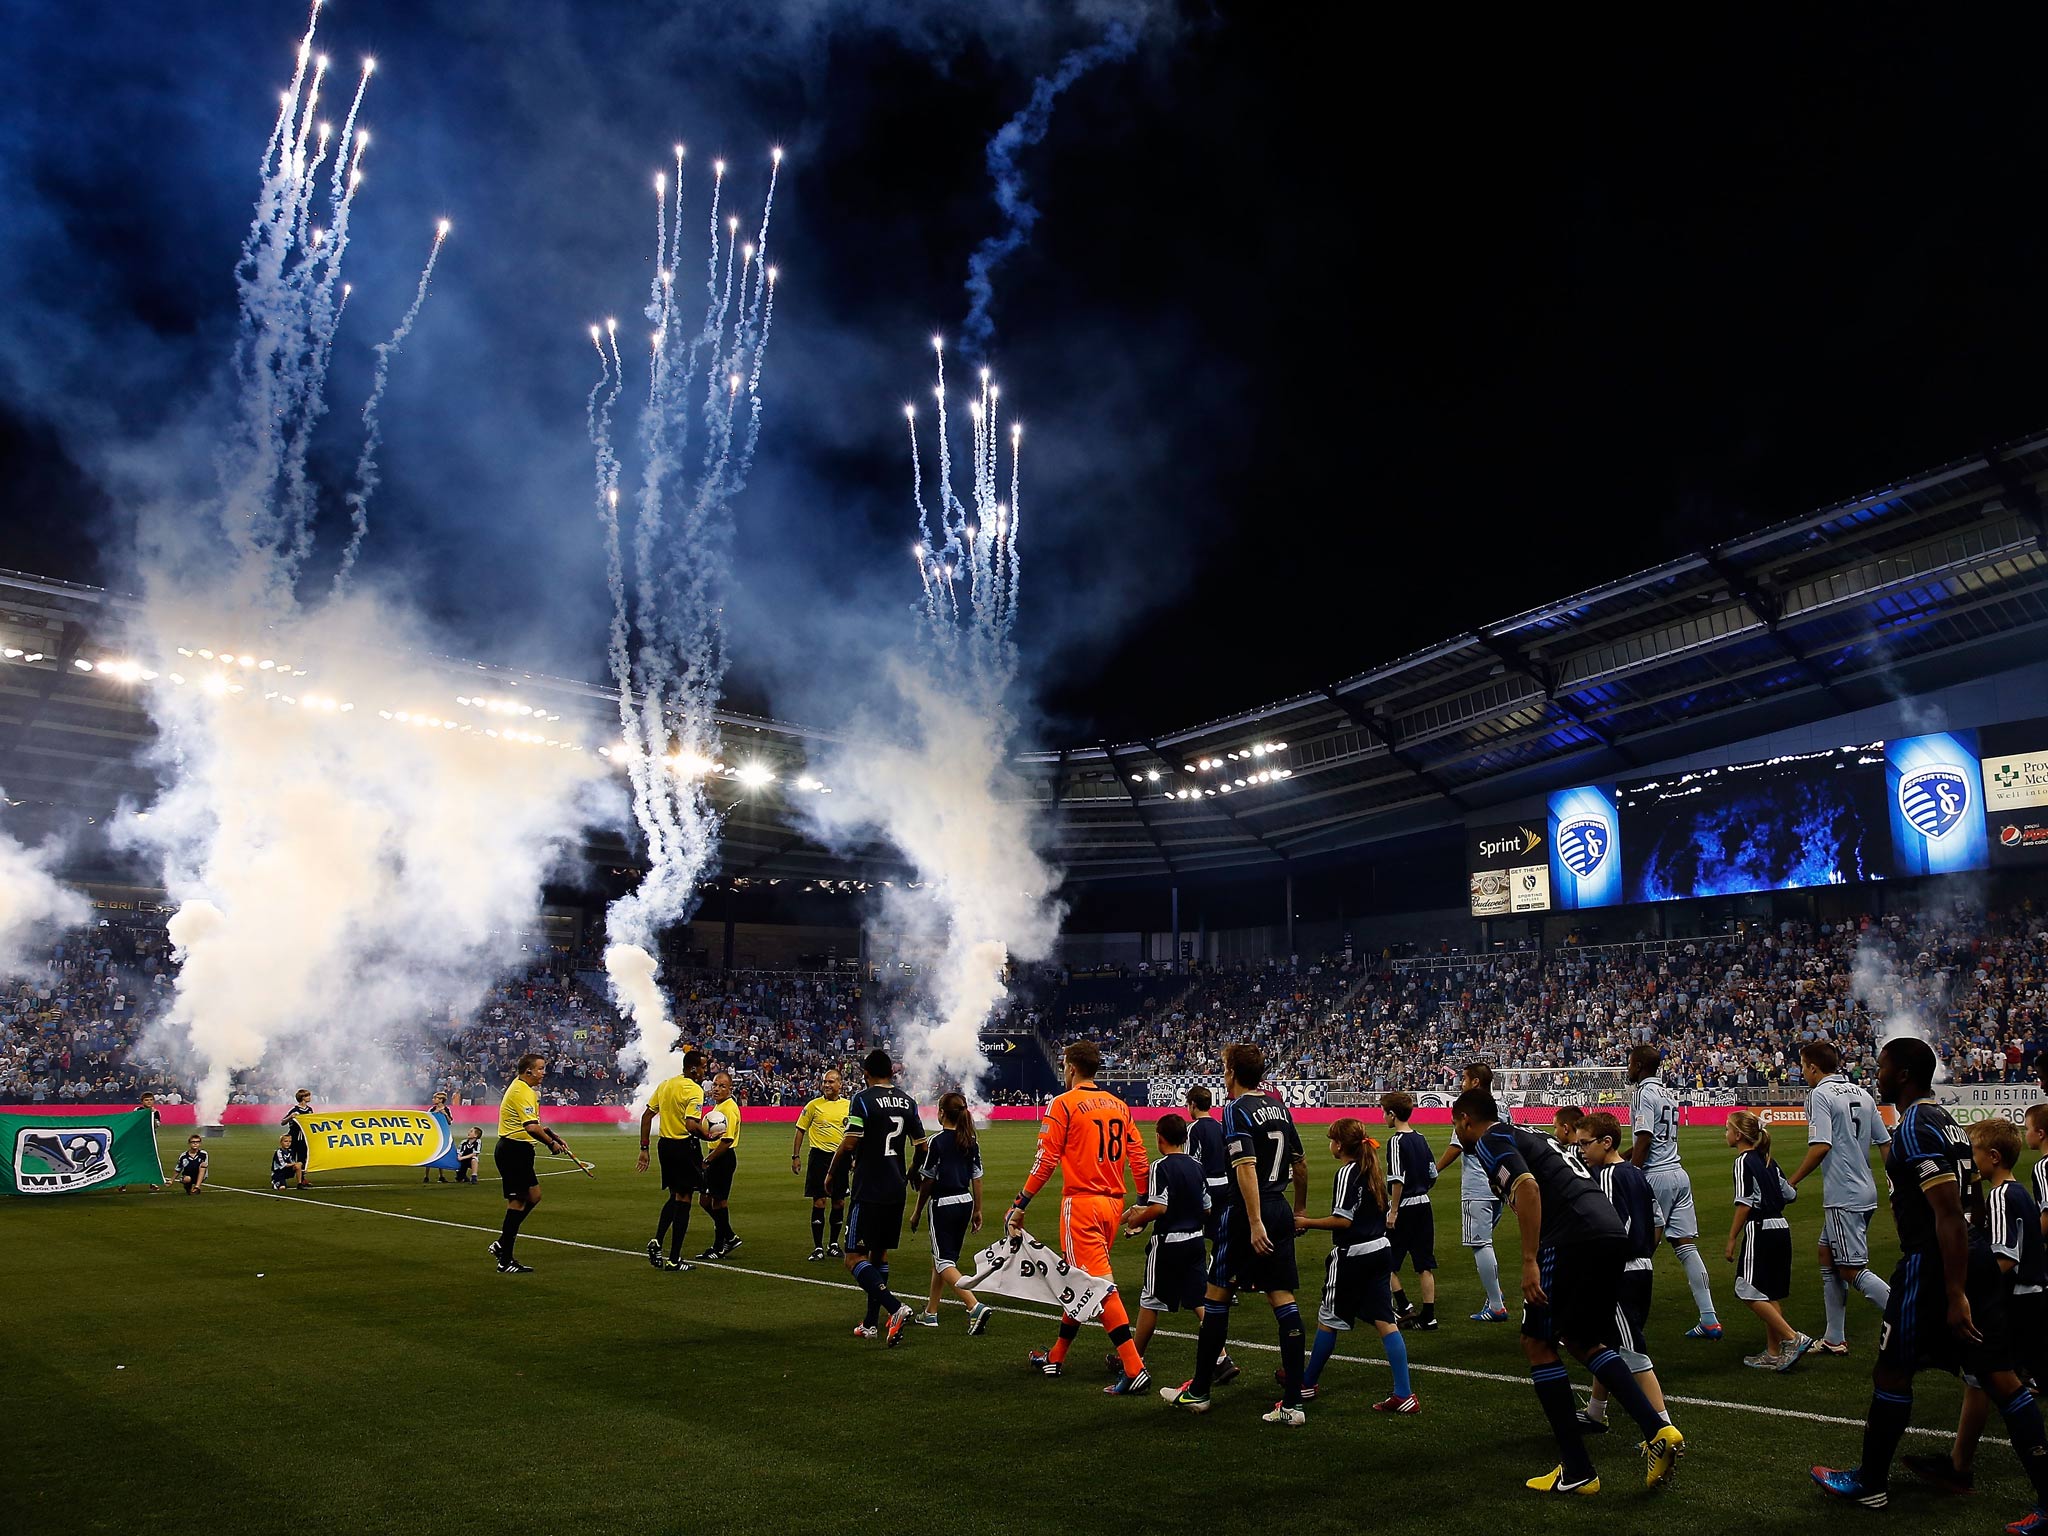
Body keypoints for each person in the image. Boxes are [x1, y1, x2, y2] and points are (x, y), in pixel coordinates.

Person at [1812, 1037, 2048, 1529]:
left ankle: (1871, 1483)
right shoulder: (1947, 1121)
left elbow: (1946, 1213)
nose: (1875, 1073)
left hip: (1934, 1264)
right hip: (1972, 1255)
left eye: (1882, 1066)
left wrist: (1956, 1291)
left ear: (1901, 1075)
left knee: (1892, 1371)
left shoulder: (1917, 1124)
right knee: (2001, 1378)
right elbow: (1973, 1200)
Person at [1454, 1086, 1685, 1495]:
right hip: (1607, 1229)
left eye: (1457, 1125)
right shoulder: (1528, 1133)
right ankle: (1658, 1430)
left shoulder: (1490, 1140)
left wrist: (1529, 1261)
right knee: (1582, 1339)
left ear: (1465, 1121)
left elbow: (1527, 1186)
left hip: (1571, 1237)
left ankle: (1578, 1470)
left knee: (1537, 1343)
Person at [1160, 1042, 1312, 1425]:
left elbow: (1245, 1166)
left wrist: (1255, 1220)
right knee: (1283, 1299)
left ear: (1231, 1071)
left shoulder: (1235, 1109)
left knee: (1216, 1296)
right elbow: (1300, 1162)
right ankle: (1293, 1404)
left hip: (1248, 1210)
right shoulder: (1280, 1106)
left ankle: (1199, 1392)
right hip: (1279, 1206)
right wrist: (1299, 1210)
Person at [1902, 1115, 2048, 1499]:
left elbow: (2005, 1258)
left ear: (1994, 1157)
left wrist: (1966, 1291)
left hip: (2016, 1301)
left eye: (1974, 1154)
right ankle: (1958, 1464)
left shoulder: (2001, 1196)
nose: (1969, 1163)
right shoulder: (2019, 1192)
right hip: (2029, 1295)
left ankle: (1972, 1468)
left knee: (2001, 1380)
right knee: (1980, 1380)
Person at [1005, 1041, 1153, 1395]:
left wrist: (1020, 1202)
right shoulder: (1119, 1105)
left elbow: (1045, 1160)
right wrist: (1143, 1203)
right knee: (1080, 1278)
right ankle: (1056, 1355)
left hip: (1082, 1204)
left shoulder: (1063, 1103)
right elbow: (1140, 1157)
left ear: (1071, 1067)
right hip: (1112, 1206)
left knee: (1096, 1286)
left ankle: (1134, 1368)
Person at [1294, 1116, 1417, 1412]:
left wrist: (1305, 1222)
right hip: (1380, 1251)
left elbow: (1343, 1220)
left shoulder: (1348, 1172)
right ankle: (1404, 1393)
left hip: (1354, 1255)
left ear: (1340, 1144)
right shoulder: (1371, 1168)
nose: (1330, 1145)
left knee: (1328, 1319)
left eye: (1331, 1139)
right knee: (1386, 1321)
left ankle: (1307, 1383)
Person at [1786, 1040, 1891, 1355]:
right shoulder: (1862, 1093)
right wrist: (1897, 1186)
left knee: (1851, 1269)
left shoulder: (1819, 1095)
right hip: (1865, 1188)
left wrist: (1790, 1182)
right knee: (1826, 1256)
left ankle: (1912, 1316)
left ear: (1814, 1068)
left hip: (1843, 1194)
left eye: (1803, 1066)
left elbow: (1821, 1145)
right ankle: (1834, 1337)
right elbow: (1885, 1143)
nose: (1802, 1072)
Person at [1573, 1111, 1672, 1436]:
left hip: (1618, 1273)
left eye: (1585, 1144)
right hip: (1640, 1265)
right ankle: (1596, 1411)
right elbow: (1656, 1220)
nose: (1581, 1150)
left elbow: (1611, 1229)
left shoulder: (1606, 1176)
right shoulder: (1636, 1174)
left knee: (1631, 1351)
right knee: (1607, 1343)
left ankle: (1663, 1429)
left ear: (1606, 1142)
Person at [826, 1047, 926, 1346]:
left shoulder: (863, 1099)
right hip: (896, 1189)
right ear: (891, 1073)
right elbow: (922, 1146)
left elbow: (849, 1142)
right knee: (878, 1254)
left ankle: (894, 1308)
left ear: (866, 1073)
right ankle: (871, 1323)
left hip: (869, 1187)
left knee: (853, 1257)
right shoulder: (908, 1102)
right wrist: (912, 1172)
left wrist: (832, 1174)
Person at [1628, 1044, 1721, 1339]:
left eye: (1630, 1063)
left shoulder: (1643, 1093)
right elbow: (1651, 1139)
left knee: (1638, 1251)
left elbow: (1644, 1139)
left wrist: (1630, 1174)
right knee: (1686, 1247)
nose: (1628, 1068)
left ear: (1640, 1065)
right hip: (1678, 1174)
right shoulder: (1667, 1094)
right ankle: (1709, 1318)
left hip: (1655, 1177)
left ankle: (1618, 1315)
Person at [1117, 1111, 1211, 1367]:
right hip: (1195, 1240)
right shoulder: (1197, 1166)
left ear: (1160, 1138)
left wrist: (1138, 1220)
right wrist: (1129, 1216)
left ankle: (1133, 1359)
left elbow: (1159, 1207)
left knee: (1150, 1299)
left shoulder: (1160, 1166)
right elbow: (1207, 1208)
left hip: (1169, 1242)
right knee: (1198, 1300)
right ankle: (1221, 1358)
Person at [1724, 1110, 1813, 1371]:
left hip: (1760, 1228)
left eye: (1727, 1129)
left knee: (1746, 1288)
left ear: (1738, 1135)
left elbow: (1744, 1203)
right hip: (1781, 1228)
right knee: (1769, 1292)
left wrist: (1731, 1238)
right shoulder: (1768, 1160)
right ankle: (1773, 1353)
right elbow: (1790, 1193)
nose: (1725, 1133)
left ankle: (1792, 1338)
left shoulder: (1743, 1162)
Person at [908, 1090, 993, 1334]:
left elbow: (928, 1180)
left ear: (942, 1113)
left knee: (944, 1261)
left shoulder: (937, 1141)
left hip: (943, 1203)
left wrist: (916, 1211)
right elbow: (977, 1178)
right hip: (965, 1201)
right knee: (944, 1258)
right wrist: (978, 1210)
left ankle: (974, 1305)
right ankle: (931, 1313)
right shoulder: (970, 1141)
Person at [1437, 1060, 1510, 1322]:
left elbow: (1458, 1146)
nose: (1461, 1083)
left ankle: (1496, 1305)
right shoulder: (1502, 1106)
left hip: (1478, 1184)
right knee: (1485, 1242)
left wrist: (1434, 1170)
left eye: (1465, 1079)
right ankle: (1495, 1293)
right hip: (1500, 1183)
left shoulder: (1468, 1109)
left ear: (1476, 1082)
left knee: (1481, 1244)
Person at [491, 1053, 571, 1276]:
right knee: (516, 1203)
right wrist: (550, 1145)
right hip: (513, 1149)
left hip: (521, 1149)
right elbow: (530, 1128)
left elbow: (534, 1124)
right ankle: (505, 1259)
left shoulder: (524, 1089)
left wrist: (553, 1135)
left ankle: (501, 1244)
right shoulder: (522, 1091)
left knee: (534, 1196)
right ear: (529, 1072)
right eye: (540, 1069)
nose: (543, 1073)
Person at [1184, 1084, 1243, 1382]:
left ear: (1194, 1104)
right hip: (1225, 1185)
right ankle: (1226, 1282)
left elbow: (1191, 1161)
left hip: (1206, 1185)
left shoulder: (1194, 1129)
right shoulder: (1220, 1126)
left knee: (1194, 1233)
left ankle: (1206, 1284)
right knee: (1221, 1236)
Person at [637, 1048, 714, 1272]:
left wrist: (644, 1148)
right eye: (703, 1067)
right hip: (684, 1146)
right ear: (693, 1068)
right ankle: (674, 1259)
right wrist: (708, 1135)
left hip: (664, 1146)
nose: (704, 1072)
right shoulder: (694, 1090)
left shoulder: (666, 1084)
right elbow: (691, 1125)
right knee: (685, 1199)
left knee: (674, 1195)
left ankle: (658, 1241)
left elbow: (647, 1116)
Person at [1381, 1091, 1439, 1332]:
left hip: (1405, 1206)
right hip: (1424, 1204)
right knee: (1424, 1263)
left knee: (1387, 1262)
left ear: (1392, 1115)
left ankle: (1403, 1305)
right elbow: (1433, 1173)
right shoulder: (1421, 1138)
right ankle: (1429, 1316)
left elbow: (1397, 1179)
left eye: (1384, 1112)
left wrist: (1393, 1210)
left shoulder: (1396, 1141)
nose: (1383, 1117)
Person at [792, 1068, 851, 1260]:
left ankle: (833, 1244)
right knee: (819, 1201)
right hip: (819, 1157)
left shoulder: (849, 1106)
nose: (826, 1085)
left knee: (839, 1202)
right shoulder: (813, 1105)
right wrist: (796, 1156)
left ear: (840, 1084)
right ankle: (818, 1247)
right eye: (825, 1081)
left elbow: (854, 1134)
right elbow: (800, 1129)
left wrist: (855, 1157)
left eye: (831, 1082)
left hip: (841, 1159)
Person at [695, 1071, 744, 1261]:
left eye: (722, 1086)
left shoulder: (729, 1109)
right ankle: (729, 1236)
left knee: (717, 1202)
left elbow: (727, 1140)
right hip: (715, 1156)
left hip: (722, 1157)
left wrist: (708, 1160)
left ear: (730, 1089)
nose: (716, 1089)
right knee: (706, 1201)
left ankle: (719, 1247)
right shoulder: (718, 1107)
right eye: (715, 1085)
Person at [282, 1089, 315, 1190]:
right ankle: (282, 1178)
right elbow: (283, 1122)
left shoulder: (309, 1110)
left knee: (303, 1158)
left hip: (304, 1137)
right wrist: (291, 1117)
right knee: (290, 1157)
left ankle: (302, 1180)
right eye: (307, 1096)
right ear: (303, 1098)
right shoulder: (295, 1110)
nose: (310, 1097)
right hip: (294, 1136)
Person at [423, 1090, 452, 1184]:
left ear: (440, 1100)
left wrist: (445, 1114)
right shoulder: (432, 1109)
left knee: (440, 1154)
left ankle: (441, 1175)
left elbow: (449, 1121)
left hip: (442, 1133)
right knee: (430, 1154)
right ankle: (426, 1176)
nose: (433, 1099)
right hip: (433, 1133)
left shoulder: (446, 1109)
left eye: (435, 1098)